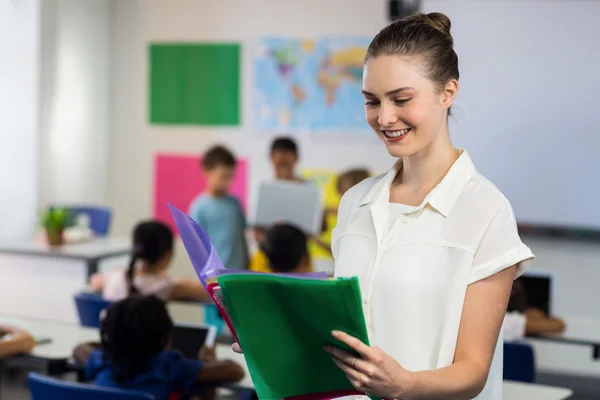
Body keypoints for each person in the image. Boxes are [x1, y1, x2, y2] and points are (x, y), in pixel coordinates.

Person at [235, 12, 534, 400]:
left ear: (448, 92)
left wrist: (405, 385)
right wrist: (269, 327)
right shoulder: (355, 202)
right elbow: (345, 335)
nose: (385, 117)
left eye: (401, 99)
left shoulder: (486, 210)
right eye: (372, 101)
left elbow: (474, 372)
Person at [73, 295, 244, 400]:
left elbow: (80, 349)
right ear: (165, 340)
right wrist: (208, 360)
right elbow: (235, 371)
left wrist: (118, 340)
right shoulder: (168, 366)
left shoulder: (104, 362)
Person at [89, 221, 209, 302]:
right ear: (167, 256)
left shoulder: (114, 275)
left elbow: (94, 281)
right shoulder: (165, 286)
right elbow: (211, 291)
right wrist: (183, 280)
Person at [189, 145, 248, 270]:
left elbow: (242, 236)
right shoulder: (199, 207)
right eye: (223, 176)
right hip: (215, 274)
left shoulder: (235, 202)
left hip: (239, 271)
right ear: (207, 172)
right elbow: (197, 248)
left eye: (231, 176)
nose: (228, 182)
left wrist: (247, 263)